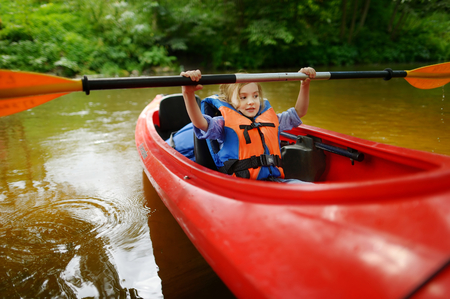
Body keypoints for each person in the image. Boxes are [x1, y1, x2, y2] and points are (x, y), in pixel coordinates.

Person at [181, 68, 316, 182]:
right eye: (243, 97)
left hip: (276, 182)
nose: (251, 102)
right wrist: (188, 94)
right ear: (229, 101)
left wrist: (305, 85)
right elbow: (200, 123)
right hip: (241, 186)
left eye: (255, 96)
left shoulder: (273, 119)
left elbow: (299, 112)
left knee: (309, 191)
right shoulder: (222, 124)